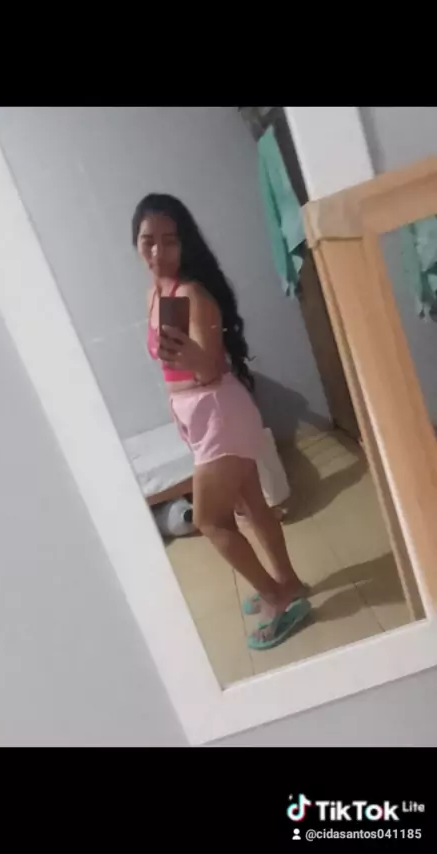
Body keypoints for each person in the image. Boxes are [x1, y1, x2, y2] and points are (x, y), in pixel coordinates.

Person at [132, 193, 310, 650]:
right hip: (200, 414)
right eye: (148, 241)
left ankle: (275, 596)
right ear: (136, 243)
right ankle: (289, 582)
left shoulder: (191, 294)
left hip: (218, 412)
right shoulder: (156, 295)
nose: (158, 251)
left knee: (211, 520)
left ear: (184, 243)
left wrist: (189, 354)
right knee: (252, 505)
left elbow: (210, 369)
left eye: (169, 241)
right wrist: (176, 405)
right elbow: (173, 372)